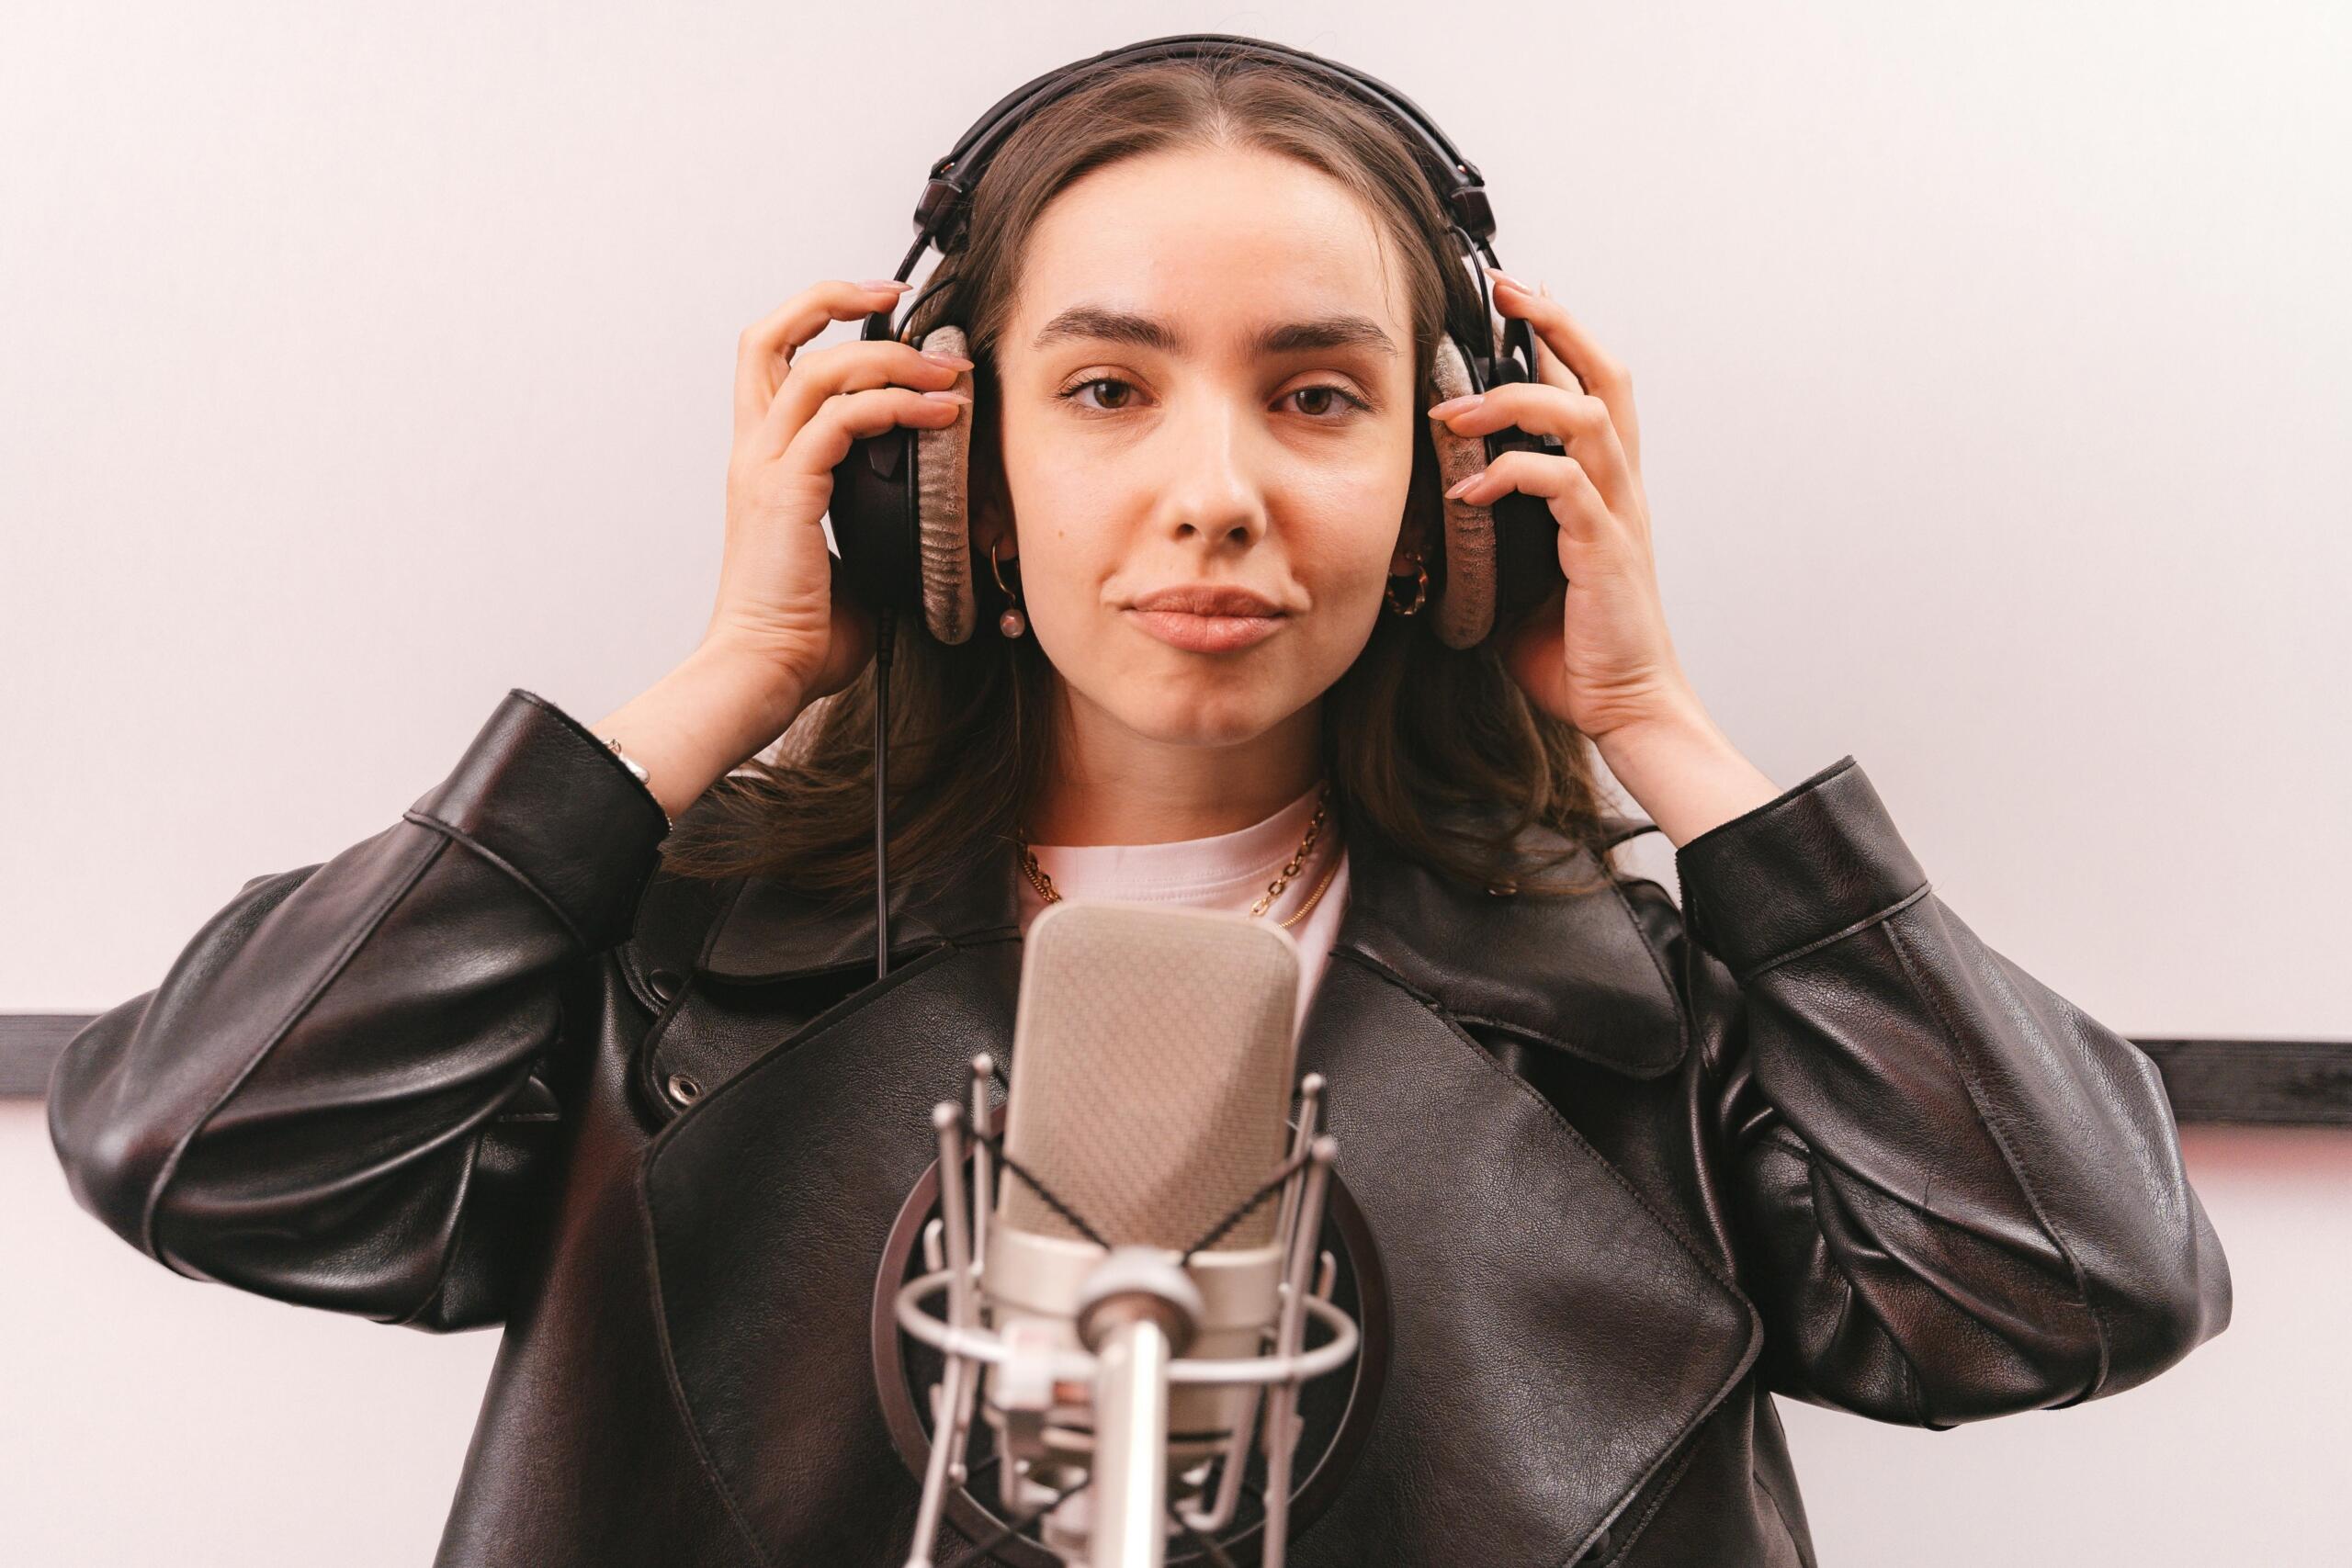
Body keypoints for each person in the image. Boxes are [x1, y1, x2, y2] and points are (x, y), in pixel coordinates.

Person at [47, 43, 2230, 1568]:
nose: (1213, 490)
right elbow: (205, 1145)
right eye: (1103, 386)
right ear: (945, 470)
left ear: (1451, 488)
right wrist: (730, 676)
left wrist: (1654, 722)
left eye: (1316, 394)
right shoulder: (660, 979)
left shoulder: (1642, 1030)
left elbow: (2074, 1286)